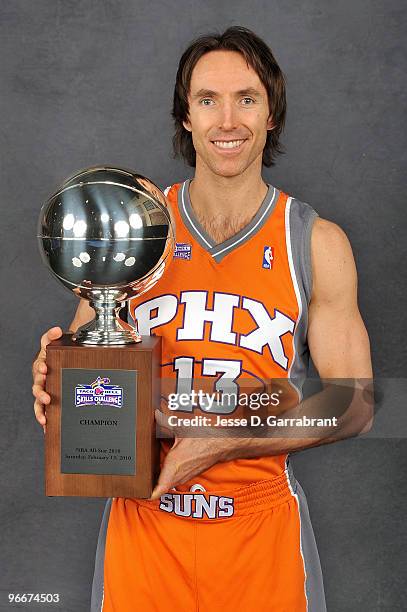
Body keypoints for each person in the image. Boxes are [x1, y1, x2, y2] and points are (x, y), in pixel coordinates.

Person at [32, 26, 372, 611]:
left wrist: (229, 441)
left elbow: (355, 403)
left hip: (258, 533)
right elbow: (94, 374)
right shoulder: (135, 229)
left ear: (272, 113)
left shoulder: (313, 243)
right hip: (146, 527)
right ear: (185, 116)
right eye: (207, 100)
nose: (228, 121)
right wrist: (57, 385)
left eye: (248, 98)